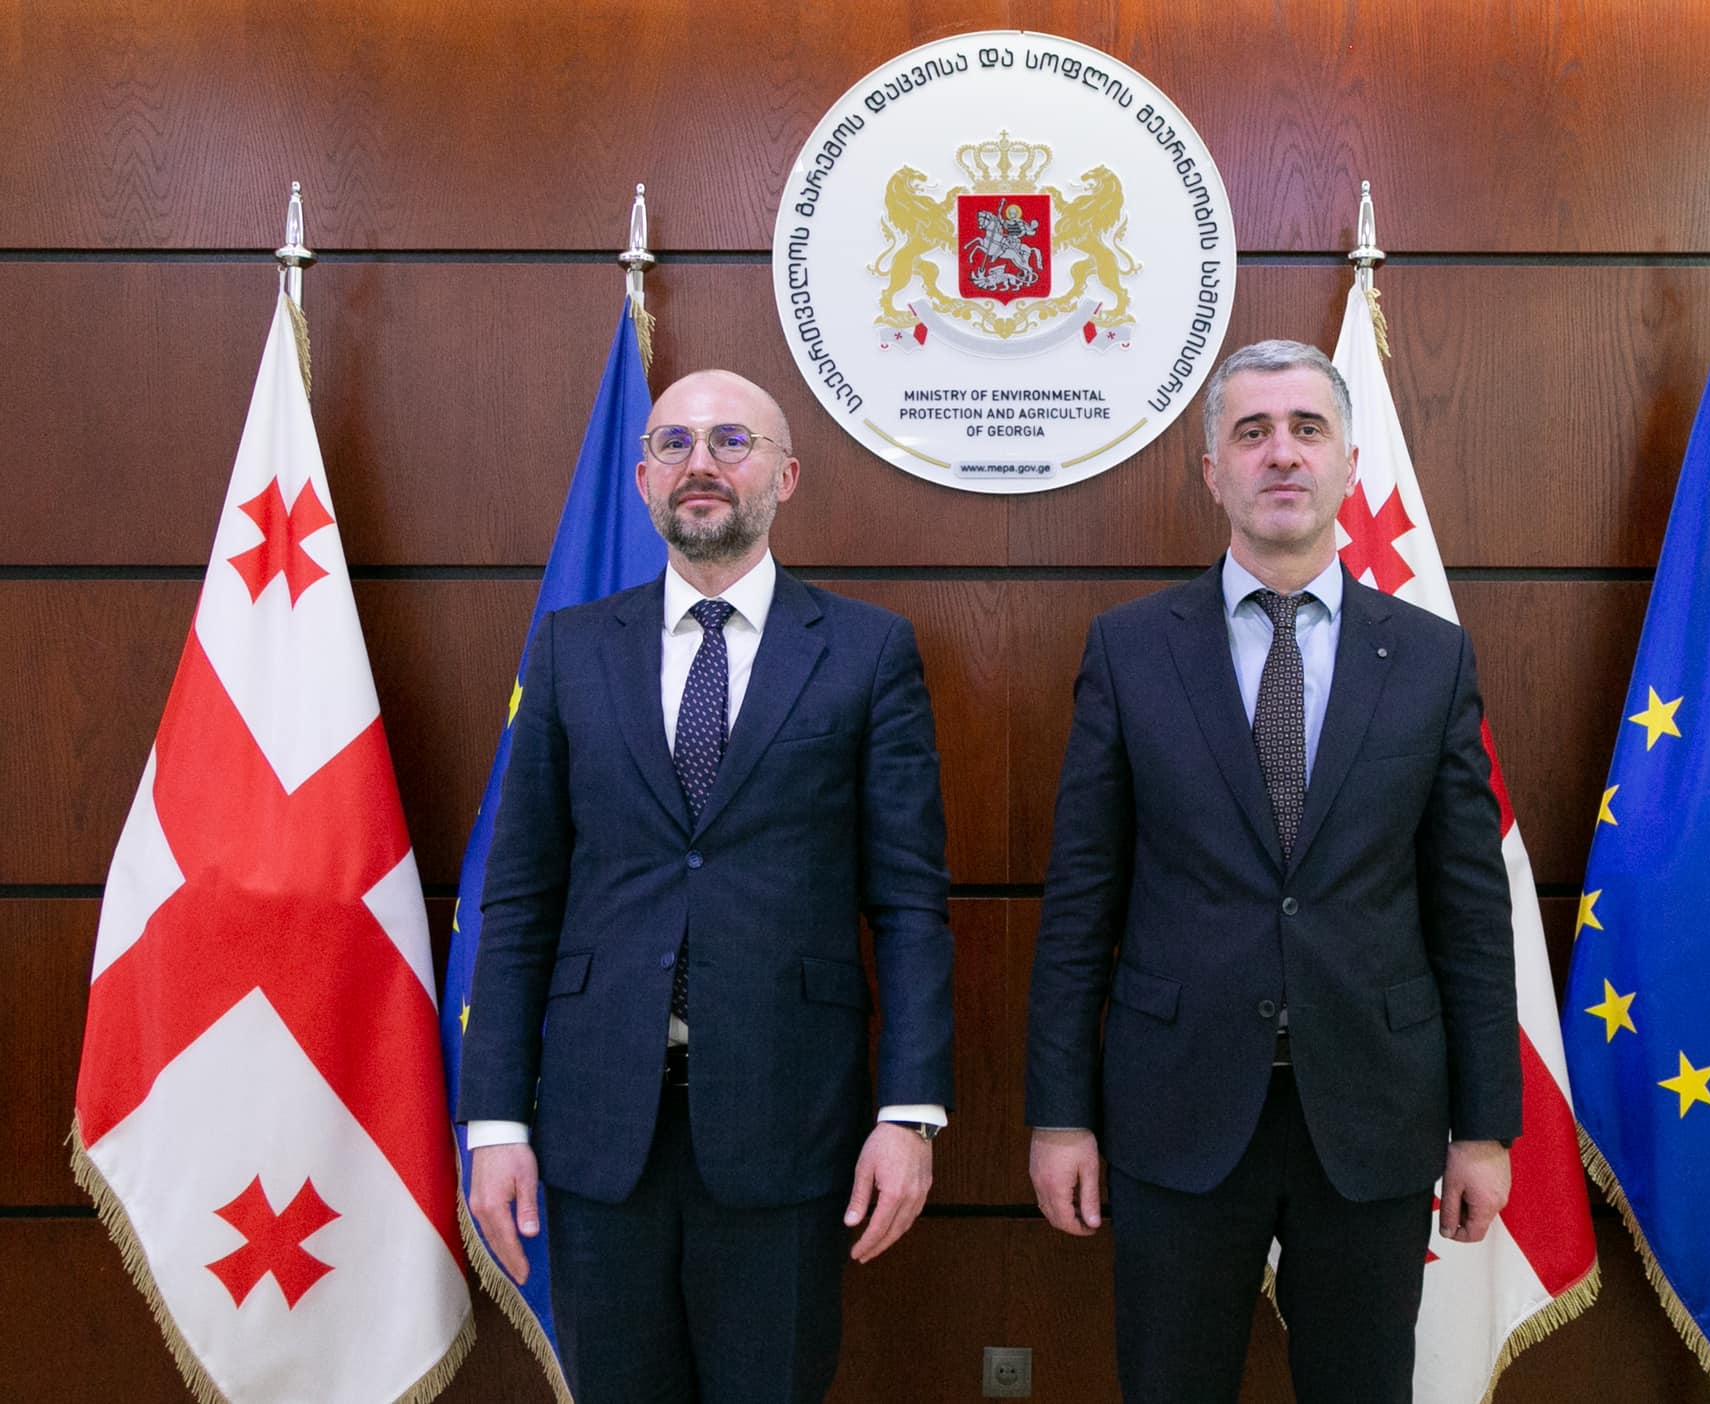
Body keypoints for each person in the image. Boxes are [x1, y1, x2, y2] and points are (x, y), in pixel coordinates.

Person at [1025, 340, 1520, 1403]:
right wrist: (1060, 1115)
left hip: (1374, 1112)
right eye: (1251, 433)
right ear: (1213, 471)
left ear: (1348, 465)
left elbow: (1471, 913)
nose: (1281, 453)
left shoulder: (1429, 657)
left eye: (1306, 429)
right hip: (1174, 1105)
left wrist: (1483, 1127)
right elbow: (1079, 902)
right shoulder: (1129, 650)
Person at [460, 369, 955, 1404]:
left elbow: (908, 906)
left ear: (785, 475)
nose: (700, 463)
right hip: (600, 1129)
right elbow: (520, 901)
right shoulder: (571, 650)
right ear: (643, 478)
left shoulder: (867, 652)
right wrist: (496, 1123)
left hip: (789, 1118)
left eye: (732, 441)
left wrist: (909, 1114)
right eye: (674, 443)